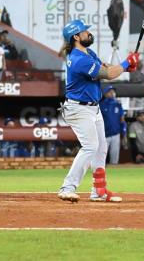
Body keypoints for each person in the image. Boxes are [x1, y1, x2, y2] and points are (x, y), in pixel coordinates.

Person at [57, 19, 138, 203]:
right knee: (91, 146)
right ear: (76, 37)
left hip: (93, 107)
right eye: (84, 31)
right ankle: (67, 187)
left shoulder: (88, 52)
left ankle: (99, 191)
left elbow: (107, 68)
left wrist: (125, 68)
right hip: (79, 108)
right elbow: (109, 75)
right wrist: (126, 63)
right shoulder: (78, 59)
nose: (88, 33)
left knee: (101, 147)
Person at [99, 85, 126, 165]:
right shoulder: (101, 105)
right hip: (104, 135)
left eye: (113, 91)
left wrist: (124, 134)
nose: (112, 93)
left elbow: (122, 120)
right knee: (101, 157)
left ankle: (114, 174)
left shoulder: (118, 104)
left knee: (115, 157)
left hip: (116, 134)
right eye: (110, 91)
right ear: (105, 93)